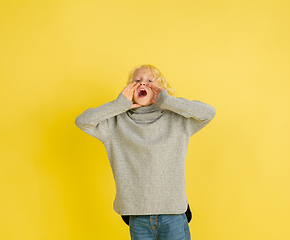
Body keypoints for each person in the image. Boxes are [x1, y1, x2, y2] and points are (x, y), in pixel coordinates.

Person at [75, 64, 215, 240]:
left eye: (150, 81)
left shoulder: (177, 120)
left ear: (160, 88)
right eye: (137, 81)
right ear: (129, 89)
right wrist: (119, 104)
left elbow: (208, 113)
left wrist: (167, 100)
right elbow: (82, 121)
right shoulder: (115, 124)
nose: (143, 84)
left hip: (173, 214)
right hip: (137, 215)